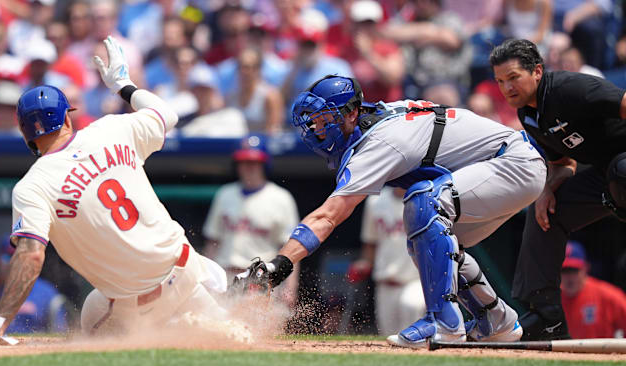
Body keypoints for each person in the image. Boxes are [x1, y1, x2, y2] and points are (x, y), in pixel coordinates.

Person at [0, 36, 249, 344]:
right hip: (187, 268)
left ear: (25, 133)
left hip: (140, 303)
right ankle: (201, 319)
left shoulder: (32, 186)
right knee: (237, 336)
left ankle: (171, 330)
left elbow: (31, 256)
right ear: (67, 118)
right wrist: (124, 85)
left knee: (92, 320)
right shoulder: (112, 128)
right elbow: (169, 116)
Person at [233, 74, 545, 348]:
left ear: (352, 113)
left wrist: (277, 267)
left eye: (324, 118)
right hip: (502, 165)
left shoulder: (378, 142)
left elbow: (329, 216)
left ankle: (445, 324)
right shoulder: (378, 117)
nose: (316, 128)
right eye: (313, 121)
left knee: (423, 201)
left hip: (512, 164)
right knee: (430, 244)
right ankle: (496, 319)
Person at [489, 38, 626, 340]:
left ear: (537, 71)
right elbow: (564, 163)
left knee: (622, 172)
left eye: (513, 77)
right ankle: (545, 315)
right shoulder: (527, 113)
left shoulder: (569, 88)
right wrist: (548, 188)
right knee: (545, 212)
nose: (507, 87)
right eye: (500, 81)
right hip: (604, 176)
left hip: (621, 168)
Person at [203, 136, 299, 306]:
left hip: (261, 278)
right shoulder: (225, 194)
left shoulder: (281, 198)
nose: (249, 167)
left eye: (254, 162)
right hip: (226, 276)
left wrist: (290, 288)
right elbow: (213, 241)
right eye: (244, 162)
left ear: (264, 164)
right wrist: (205, 277)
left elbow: (291, 249)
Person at [349, 188, 425, 336]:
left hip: (416, 280)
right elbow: (371, 242)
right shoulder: (375, 201)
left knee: (411, 309)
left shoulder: (423, 198)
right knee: (388, 336)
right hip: (385, 282)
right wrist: (365, 263)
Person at [561, 241, 626, 339]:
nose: (569, 277)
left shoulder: (608, 296)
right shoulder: (551, 299)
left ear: (585, 268)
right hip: (565, 354)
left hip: (604, 353)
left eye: (574, 270)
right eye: (565, 271)